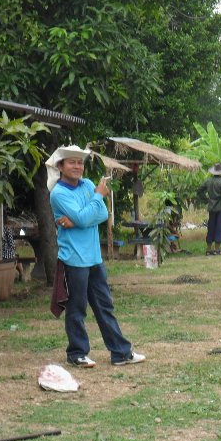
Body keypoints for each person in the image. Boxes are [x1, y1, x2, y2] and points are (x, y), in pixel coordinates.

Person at [47, 144, 145, 368]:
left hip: (94, 258)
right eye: (71, 162)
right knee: (76, 307)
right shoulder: (58, 193)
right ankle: (77, 353)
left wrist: (77, 219)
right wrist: (95, 200)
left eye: (80, 162)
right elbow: (88, 215)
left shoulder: (89, 185)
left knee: (104, 306)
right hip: (74, 259)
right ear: (60, 166)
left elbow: (102, 214)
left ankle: (120, 352)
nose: (77, 166)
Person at [197, 162, 221, 255]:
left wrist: (206, 200)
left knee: (211, 227)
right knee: (220, 227)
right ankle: (217, 249)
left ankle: (208, 249)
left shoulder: (208, 181)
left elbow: (199, 190)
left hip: (211, 206)